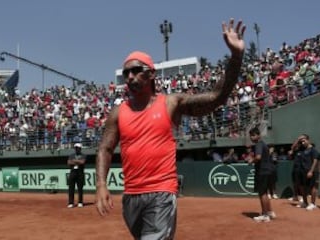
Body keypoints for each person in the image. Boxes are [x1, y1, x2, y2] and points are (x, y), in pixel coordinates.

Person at [95, 18, 246, 239]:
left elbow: (216, 97)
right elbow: (105, 149)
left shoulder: (170, 103)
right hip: (131, 197)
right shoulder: (118, 112)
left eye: (136, 70)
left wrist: (236, 57)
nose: (130, 77)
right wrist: (101, 184)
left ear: (151, 74)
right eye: (126, 73)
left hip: (161, 193)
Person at [247, 127, 276, 222]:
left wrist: (252, 160)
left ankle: (264, 215)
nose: (251, 137)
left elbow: (258, 157)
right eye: (250, 135)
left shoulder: (259, 144)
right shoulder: (263, 144)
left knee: (262, 193)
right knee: (265, 193)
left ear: (258, 135)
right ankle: (270, 212)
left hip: (262, 172)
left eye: (253, 135)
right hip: (268, 171)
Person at [291, 134, 319, 210]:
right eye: (301, 141)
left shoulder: (313, 150)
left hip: (309, 171)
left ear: (308, 140)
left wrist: (311, 171)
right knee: (302, 187)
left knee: (312, 187)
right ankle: (305, 202)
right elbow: (293, 148)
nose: (302, 143)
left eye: (304, 141)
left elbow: (315, 161)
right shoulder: (301, 149)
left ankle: (313, 204)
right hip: (301, 171)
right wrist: (298, 139)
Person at [67, 143, 86, 208]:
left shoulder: (83, 155)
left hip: (80, 172)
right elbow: (69, 162)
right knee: (71, 188)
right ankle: (71, 203)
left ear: (80, 148)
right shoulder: (71, 155)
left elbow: (82, 162)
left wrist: (74, 161)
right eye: (75, 148)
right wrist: (78, 161)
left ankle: (80, 202)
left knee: (80, 188)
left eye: (77, 148)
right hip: (73, 172)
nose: (76, 149)